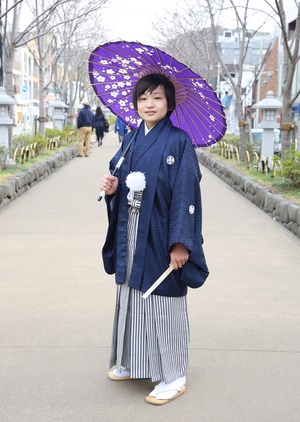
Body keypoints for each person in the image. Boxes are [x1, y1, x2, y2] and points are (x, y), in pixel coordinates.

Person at [100, 73, 209, 406]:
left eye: (157, 98)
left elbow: (185, 193)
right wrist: (114, 189)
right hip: (131, 230)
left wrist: (181, 242)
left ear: (169, 103)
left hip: (162, 233)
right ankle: (135, 360)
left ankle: (174, 374)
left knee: (162, 297)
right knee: (132, 292)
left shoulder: (179, 141)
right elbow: (123, 178)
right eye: (143, 98)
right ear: (136, 103)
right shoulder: (132, 138)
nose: (149, 104)